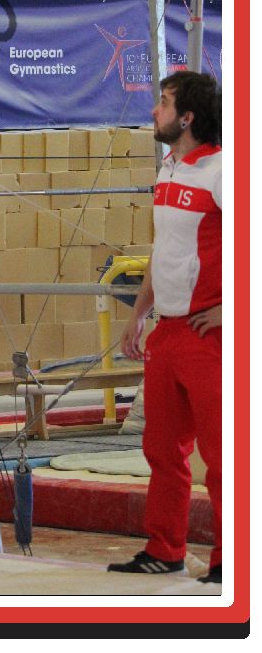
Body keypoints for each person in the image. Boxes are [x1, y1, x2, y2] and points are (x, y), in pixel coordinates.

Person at [107, 72, 222, 583]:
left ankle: (233, 558)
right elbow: (164, 250)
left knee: (222, 455)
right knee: (161, 450)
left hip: (211, 336)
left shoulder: (224, 171)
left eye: (164, 102)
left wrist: (234, 309)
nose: (155, 110)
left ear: (187, 116)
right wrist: (138, 312)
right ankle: (165, 548)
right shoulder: (170, 167)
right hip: (169, 330)